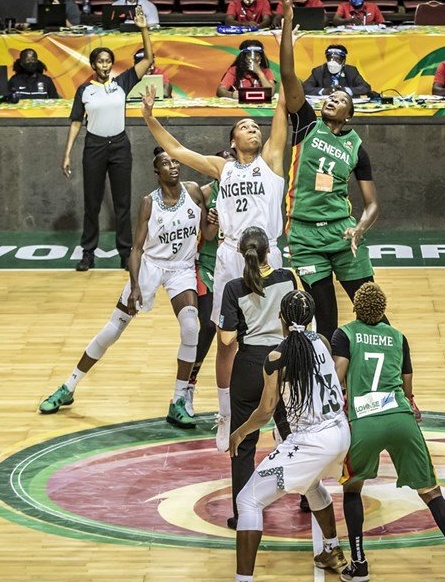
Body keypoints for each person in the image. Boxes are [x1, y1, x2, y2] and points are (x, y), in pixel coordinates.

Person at [141, 84, 289, 452]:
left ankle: (284, 419)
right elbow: (176, 150)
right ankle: (225, 415)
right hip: (230, 255)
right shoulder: (222, 168)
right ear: (233, 139)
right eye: (245, 125)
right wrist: (148, 116)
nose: (254, 128)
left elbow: (283, 105)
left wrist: (287, 33)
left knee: (281, 340)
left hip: (268, 255)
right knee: (227, 342)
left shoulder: (270, 161)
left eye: (256, 125)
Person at [39, 147, 208, 428]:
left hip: (182, 268)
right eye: (166, 163)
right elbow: (137, 249)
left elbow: (211, 221)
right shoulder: (148, 203)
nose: (173, 166)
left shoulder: (193, 192)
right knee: (113, 329)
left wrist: (212, 221)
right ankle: (68, 387)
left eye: (175, 161)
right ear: (156, 172)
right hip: (151, 266)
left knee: (191, 327)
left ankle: (178, 400)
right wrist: (135, 286)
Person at [333, 283, 445, 582]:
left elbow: (337, 377)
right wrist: (408, 401)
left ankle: (358, 565)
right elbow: (408, 388)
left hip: (364, 422)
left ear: (356, 308)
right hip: (400, 418)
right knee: (431, 492)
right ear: (384, 310)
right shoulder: (398, 337)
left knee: (353, 490)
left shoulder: (344, 334)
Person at [225, 290, 350, 582]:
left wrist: (239, 431)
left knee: (248, 500)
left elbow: (266, 410)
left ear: (280, 318)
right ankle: (331, 550)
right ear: (311, 318)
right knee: (311, 484)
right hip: (340, 432)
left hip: (313, 442)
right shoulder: (321, 342)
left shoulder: (276, 357)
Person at [278, 0, 381, 344]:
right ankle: (330, 391)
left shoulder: (356, 147)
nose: (332, 98)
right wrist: (288, 24)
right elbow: (288, 74)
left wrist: (360, 230)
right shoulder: (307, 123)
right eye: (330, 96)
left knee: (372, 310)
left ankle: (380, 380)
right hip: (305, 236)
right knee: (325, 323)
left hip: (341, 232)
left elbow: (372, 204)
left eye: (340, 99)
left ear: (349, 113)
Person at [62, 6, 154, 272]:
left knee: (122, 202)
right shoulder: (84, 90)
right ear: (93, 65)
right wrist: (67, 153)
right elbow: (76, 121)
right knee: (92, 203)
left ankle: (125, 253)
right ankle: (88, 253)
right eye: (100, 61)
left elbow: (148, 59)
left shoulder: (122, 83)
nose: (104, 65)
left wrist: (143, 28)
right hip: (94, 146)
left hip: (120, 146)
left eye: (107, 61)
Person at [218, 226, 296, 527]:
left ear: (242, 254)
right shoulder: (288, 278)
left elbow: (226, 340)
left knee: (243, 442)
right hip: (286, 361)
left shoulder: (234, 288)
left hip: (250, 366)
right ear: (268, 252)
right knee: (292, 434)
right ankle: (307, 495)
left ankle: (242, 514)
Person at [187, 148, 236, 418]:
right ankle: (188, 386)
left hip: (235, 266)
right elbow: (205, 233)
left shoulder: (248, 189)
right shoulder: (206, 193)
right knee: (206, 325)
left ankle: (237, 395)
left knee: (241, 334)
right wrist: (214, 223)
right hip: (208, 264)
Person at [302, 44, 372, 97]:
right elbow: (305, 88)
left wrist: (345, 90)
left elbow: (365, 87)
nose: (333, 63)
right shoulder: (318, 71)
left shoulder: (351, 71)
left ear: (343, 62)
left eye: (337, 60)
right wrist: (325, 91)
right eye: (330, 59)